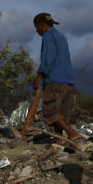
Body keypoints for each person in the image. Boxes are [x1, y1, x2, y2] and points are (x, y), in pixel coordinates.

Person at [32, 13, 80, 141]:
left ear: (43, 26)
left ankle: (71, 133)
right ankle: (58, 142)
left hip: (55, 80)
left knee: (49, 112)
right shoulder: (61, 36)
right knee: (61, 115)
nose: (37, 31)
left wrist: (39, 76)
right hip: (68, 81)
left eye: (36, 27)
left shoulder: (48, 36)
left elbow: (49, 57)